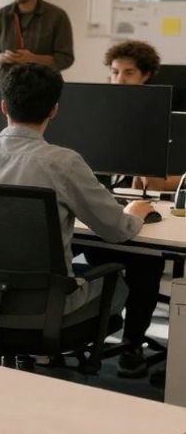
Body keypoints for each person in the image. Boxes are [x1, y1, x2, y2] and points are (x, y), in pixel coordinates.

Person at [0, 64, 153, 320]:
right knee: (118, 283)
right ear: (54, 110)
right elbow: (116, 230)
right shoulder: (64, 163)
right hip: (45, 306)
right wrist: (134, 213)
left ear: (3, 106)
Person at [75, 39, 172, 377]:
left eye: (129, 73)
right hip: (105, 209)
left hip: (147, 212)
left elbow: (178, 178)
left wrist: (162, 181)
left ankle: (132, 343)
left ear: (146, 76)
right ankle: (64, 331)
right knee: (68, 240)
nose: (120, 80)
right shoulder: (99, 114)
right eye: (115, 73)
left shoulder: (164, 118)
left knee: (145, 265)